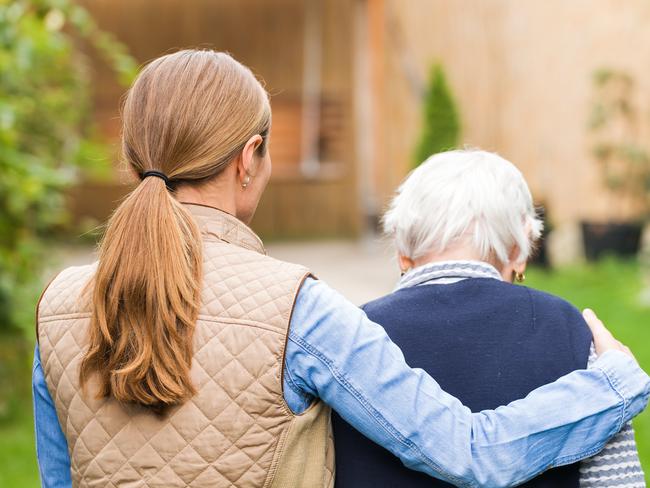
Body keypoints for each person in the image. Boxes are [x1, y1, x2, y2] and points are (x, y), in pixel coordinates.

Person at [33, 50, 649, 488]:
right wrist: (612, 385)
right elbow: (469, 452)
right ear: (251, 159)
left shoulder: (56, 306)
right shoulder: (296, 308)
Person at [333, 149, 645, 488]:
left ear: (402, 251)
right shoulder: (572, 330)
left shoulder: (352, 335)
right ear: (520, 249)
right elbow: (615, 479)